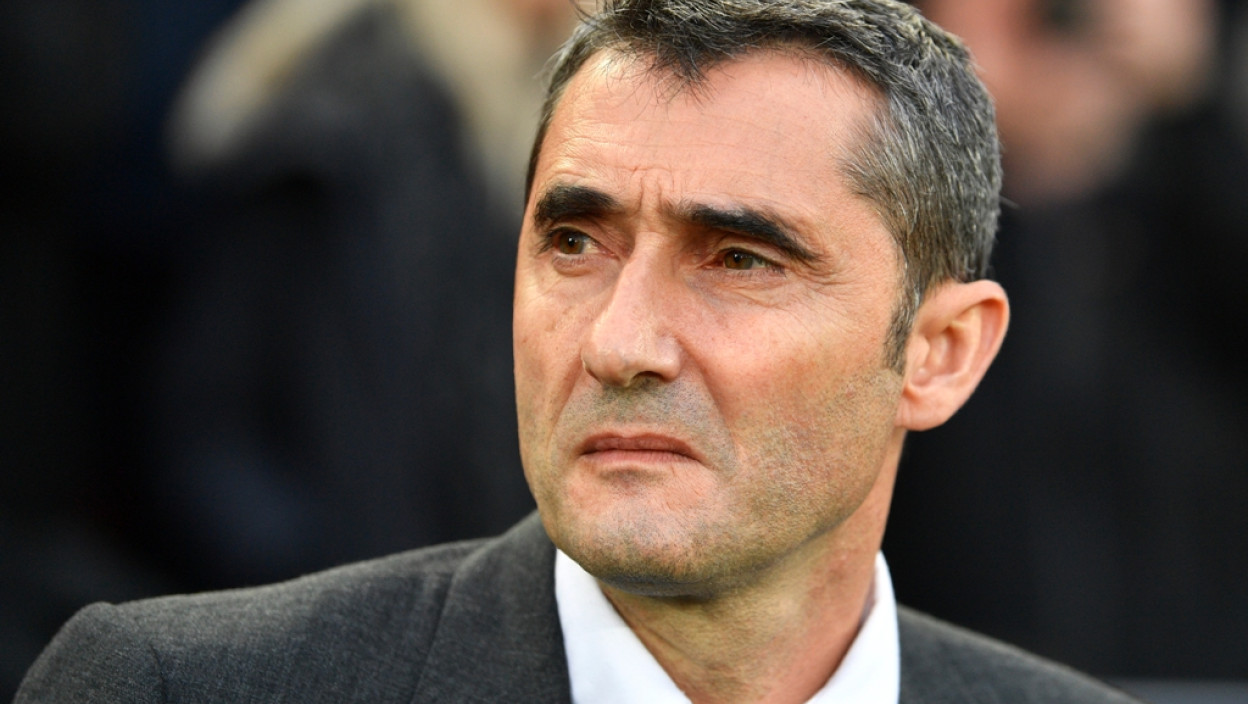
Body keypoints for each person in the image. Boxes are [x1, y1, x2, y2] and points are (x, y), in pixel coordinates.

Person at [15, 1, 1143, 702]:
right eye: (573, 242)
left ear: (940, 352)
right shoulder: (177, 688)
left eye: (739, 259)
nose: (619, 341)